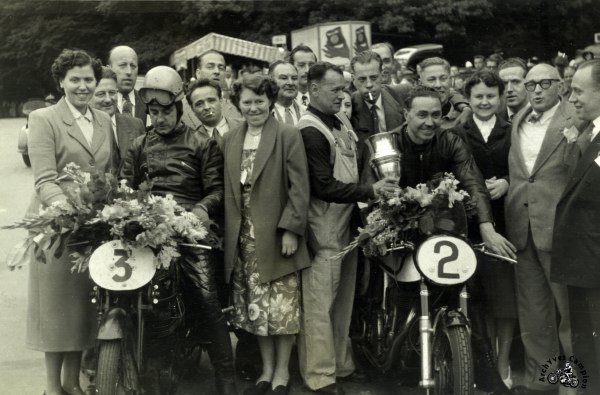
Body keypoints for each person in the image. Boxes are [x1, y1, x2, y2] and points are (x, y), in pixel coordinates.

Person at [121, 66, 237, 395]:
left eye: (165, 111)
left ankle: (225, 377)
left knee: (205, 297)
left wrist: (198, 210)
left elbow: (217, 192)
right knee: (153, 303)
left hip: (191, 234)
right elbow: (125, 190)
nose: (159, 119)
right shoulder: (139, 145)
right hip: (151, 235)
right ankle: (154, 376)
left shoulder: (203, 143)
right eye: (153, 113)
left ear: (179, 107)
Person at [298, 62, 398, 395]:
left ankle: (341, 364)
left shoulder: (339, 120)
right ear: (313, 89)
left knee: (342, 302)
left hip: (347, 226)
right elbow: (322, 185)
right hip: (323, 227)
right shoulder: (310, 129)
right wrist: (371, 191)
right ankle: (320, 375)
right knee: (319, 304)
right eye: (335, 89)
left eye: (344, 88)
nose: (343, 95)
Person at [26, 49, 114, 395]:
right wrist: (66, 209)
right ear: (61, 82)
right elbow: (44, 178)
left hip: (90, 224)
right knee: (55, 306)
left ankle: (70, 381)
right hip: (55, 225)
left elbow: (106, 173)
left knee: (82, 304)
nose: (82, 86)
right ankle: (52, 387)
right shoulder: (44, 118)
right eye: (74, 79)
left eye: (88, 79)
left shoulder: (104, 120)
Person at [222, 74, 311, 395]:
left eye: (259, 101)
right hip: (244, 240)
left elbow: (300, 188)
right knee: (256, 309)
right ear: (237, 104)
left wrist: (291, 230)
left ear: (270, 100)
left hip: (276, 237)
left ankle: (283, 373)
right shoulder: (231, 138)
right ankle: (267, 370)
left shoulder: (287, 135)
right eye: (246, 102)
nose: (253, 107)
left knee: (283, 309)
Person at [505, 64, 580, 395]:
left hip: (559, 229)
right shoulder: (518, 120)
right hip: (521, 228)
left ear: (560, 86)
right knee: (533, 314)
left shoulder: (574, 119)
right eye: (530, 84)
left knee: (569, 314)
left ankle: (571, 382)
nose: (535, 90)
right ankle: (542, 381)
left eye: (544, 83)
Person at [454, 70, 516, 392]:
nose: (484, 102)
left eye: (491, 96)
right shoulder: (458, 130)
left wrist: (507, 181)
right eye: (478, 96)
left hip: (505, 222)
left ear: (500, 97)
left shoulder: (512, 129)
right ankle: (486, 363)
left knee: (505, 299)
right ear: (469, 97)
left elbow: (524, 167)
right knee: (480, 300)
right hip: (473, 226)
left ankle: (504, 361)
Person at [551, 59, 600, 393]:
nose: (573, 99)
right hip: (584, 264)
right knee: (588, 351)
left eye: (580, 91)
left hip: (594, 263)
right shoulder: (592, 133)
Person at [349, 50, 405, 167]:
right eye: (362, 79)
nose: (369, 84)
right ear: (353, 79)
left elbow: (436, 92)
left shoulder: (400, 93)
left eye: (374, 77)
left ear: (382, 75)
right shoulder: (348, 104)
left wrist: (455, 100)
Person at [90, 66, 145, 171]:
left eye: (112, 93)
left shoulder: (136, 125)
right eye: (101, 94)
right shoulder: (83, 128)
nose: (108, 99)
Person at [182, 50, 242, 129]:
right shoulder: (181, 108)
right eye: (210, 67)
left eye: (221, 68)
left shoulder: (235, 108)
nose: (217, 71)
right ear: (198, 73)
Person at [185, 78, 242, 150]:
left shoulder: (244, 126)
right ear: (193, 109)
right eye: (199, 104)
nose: (207, 107)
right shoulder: (191, 142)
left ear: (221, 101)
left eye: (211, 100)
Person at [418, 57, 471, 129]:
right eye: (431, 80)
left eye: (443, 78)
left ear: (450, 81)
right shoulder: (412, 117)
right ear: (420, 83)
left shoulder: (465, 118)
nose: (438, 85)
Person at [108, 45, 147, 122]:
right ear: (109, 69)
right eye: (123, 65)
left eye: (133, 66)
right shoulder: (98, 104)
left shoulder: (147, 102)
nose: (129, 72)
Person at [268, 60, 302, 126]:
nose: (290, 83)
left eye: (294, 78)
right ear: (271, 81)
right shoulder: (263, 114)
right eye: (284, 78)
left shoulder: (306, 112)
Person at [289, 45, 317, 111]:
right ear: (291, 67)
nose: (307, 70)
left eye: (311, 65)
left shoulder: (322, 98)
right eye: (301, 65)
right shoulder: (284, 99)